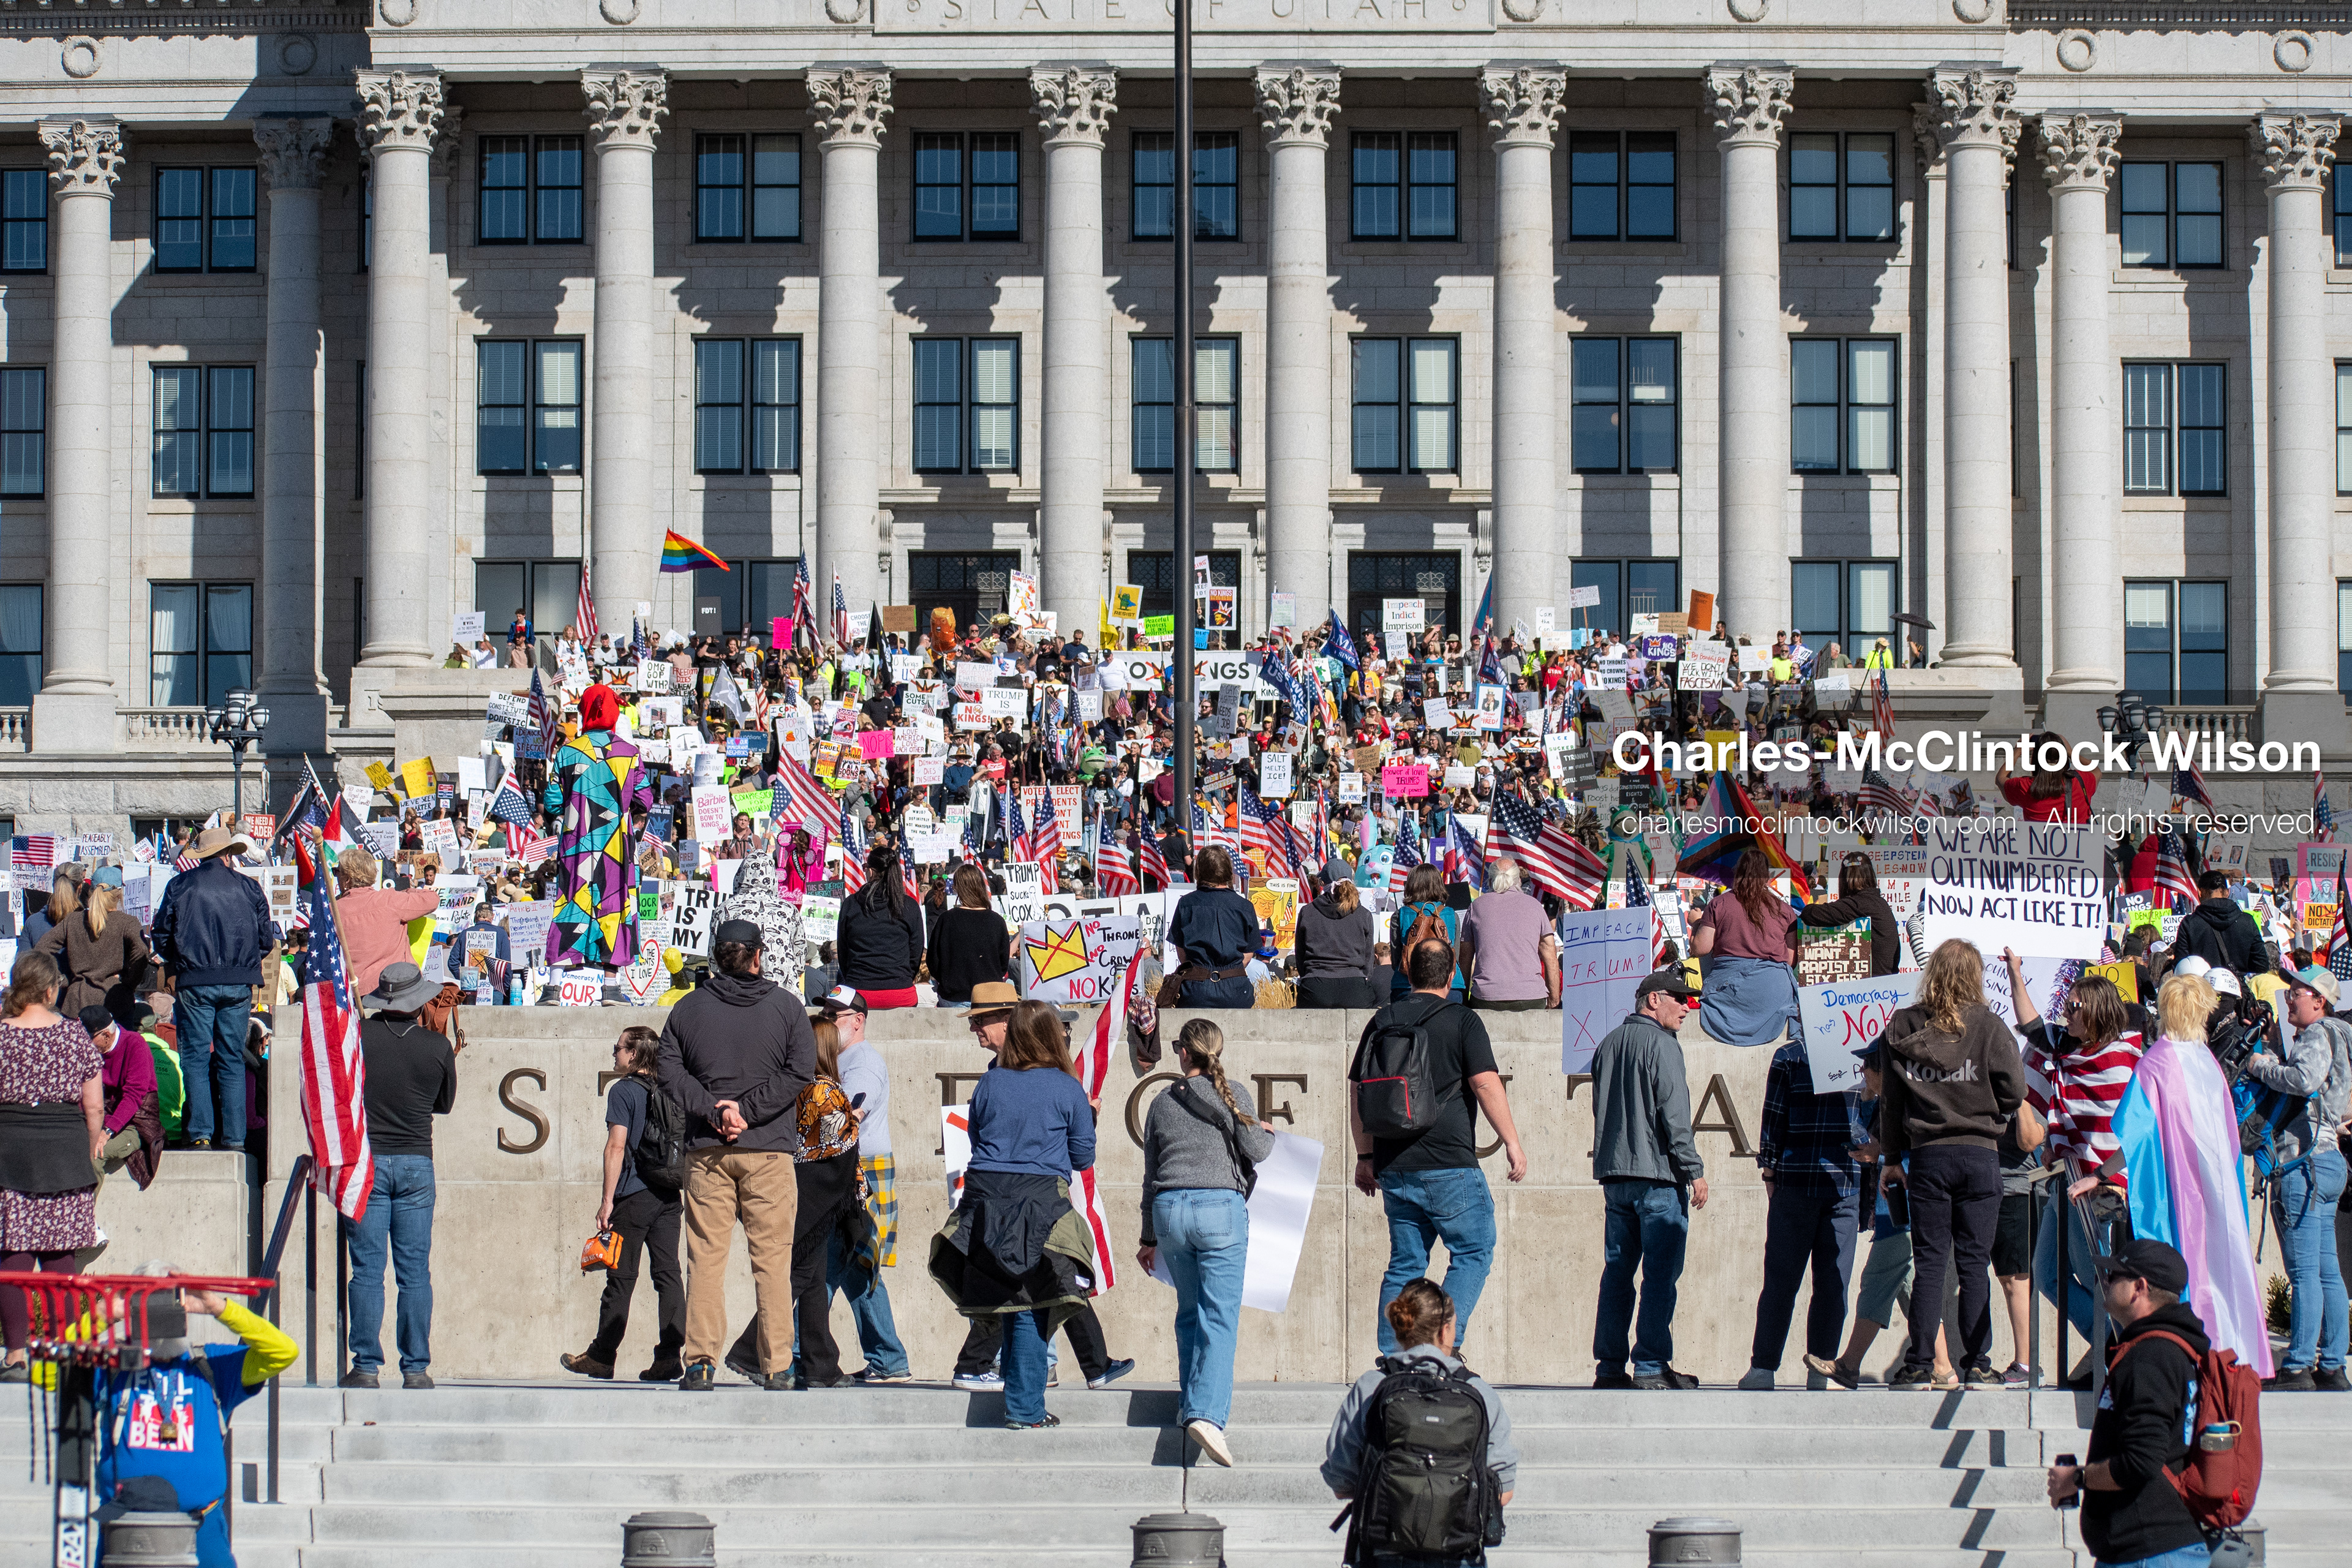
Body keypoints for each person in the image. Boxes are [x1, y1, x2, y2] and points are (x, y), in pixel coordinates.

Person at [657, 918, 816, 1391]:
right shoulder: (787, 1007)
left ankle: (701, 1360)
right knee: (772, 1261)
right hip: (768, 1151)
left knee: (705, 1259)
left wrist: (714, 1110)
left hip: (709, 1151)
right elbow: (800, 1072)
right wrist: (746, 1112)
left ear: (716, 955)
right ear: (757, 956)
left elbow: (667, 1070)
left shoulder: (688, 1009)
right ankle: (778, 1365)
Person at [1351, 938, 1527, 1356]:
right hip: (1450, 1162)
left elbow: (1359, 1092)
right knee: (1472, 1250)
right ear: (1452, 976)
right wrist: (1512, 1143)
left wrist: (1364, 1156)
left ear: (1408, 972)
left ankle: (1394, 1355)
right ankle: (1442, 1345)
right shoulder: (1461, 1021)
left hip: (1394, 1163)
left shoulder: (1381, 1021)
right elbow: (1485, 1084)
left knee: (1405, 1264)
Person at [934, 999, 1098, 1431]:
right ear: (1051, 1035)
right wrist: (1087, 1118)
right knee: (1032, 1302)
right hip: (1039, 1199)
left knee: (1009, 1298)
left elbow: (978, 1135)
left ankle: (1018, 1395)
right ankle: (1024, 1408)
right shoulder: (1067, 1086)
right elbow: (1083, 1157)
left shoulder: (991, 1083)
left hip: (985, 1200)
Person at [1877, 940, 2026, 1390]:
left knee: (1929, 1263)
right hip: (1980, 1154)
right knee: (1974, 1263)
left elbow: (1891, 1100)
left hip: (1927, 1157)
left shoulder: (1903, 1025)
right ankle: (1979, 1362)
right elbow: (2015, 1092)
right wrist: (1988, 1111)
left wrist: (1891, 1155)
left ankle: (1921, 1361)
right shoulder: (1989, 1025)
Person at [88, 1265, 298, 1568]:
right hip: (126, 1527)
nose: (162, 1316)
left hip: (201, 1526)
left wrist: (218, 1308)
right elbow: (49, 1373)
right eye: (149, 1302)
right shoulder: (112, 1363)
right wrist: (105, 1315)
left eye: (171, 1302)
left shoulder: (211, 1364)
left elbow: (284, 1351)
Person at [1136, 1019, 1275, 1467]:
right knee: (1219, 1316)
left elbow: (1150, 1175)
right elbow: (1258, 1151)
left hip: (1170, 1211)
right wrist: (1265, 1129)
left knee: (1190, 1313)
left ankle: (1189, 1405)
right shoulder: (1234, 1091)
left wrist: (1147, 1237)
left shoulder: (1161, 1101)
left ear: (1183, 1053)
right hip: (1220, 1211)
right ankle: (1207, 1415)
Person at [2007, 952, 2145, 1365]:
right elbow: (2032, 1025)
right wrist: (2015, 971)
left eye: (2073, 1008)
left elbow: (2136, 1129)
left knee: (2098, 1278)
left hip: (2101, 1188)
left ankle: (2131, 1350)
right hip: (2066, 1179)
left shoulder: (2126, 1058)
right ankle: (2112, 1347)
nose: (2065, 1015)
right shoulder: (2069, 1048)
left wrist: (2104, 1173)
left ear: (2096, 1011)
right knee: (2047, 1274)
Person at [2044, 1239, 2214, 1568]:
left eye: (2115, 1276)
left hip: (2150, 1552)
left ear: (2140, 1287)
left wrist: (2077, 1478)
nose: (2105, 1282)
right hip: (2156, 1549)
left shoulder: (2150, 1358)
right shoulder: (2169, 1350)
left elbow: (2141, 1461)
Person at [1321, 1280, 1518, 1562]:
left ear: (1401, 1329)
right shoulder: (1478, 1392)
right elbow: (1503, 1492)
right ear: (1445, 1330)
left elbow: (1341, 1481)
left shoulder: (1372, 1386)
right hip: (1458, 1553)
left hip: (1384, 1551)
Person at [1590, 967, 1709, 1390]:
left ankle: (1609, 1368)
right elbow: (1675, 1118)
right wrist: (1694, 1171)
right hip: (1657, 1177)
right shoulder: (1664, 1045)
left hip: (1616, 1176)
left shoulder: (1607, 1045)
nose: (1686, 1007)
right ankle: (1650, 1365)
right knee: (1660, 1276)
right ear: (1653, 999)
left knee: (1618, 1274)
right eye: (1679, 998)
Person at [344, 961, 457, 1390]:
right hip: (415, 1160)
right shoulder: (437, 1047)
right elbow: (443, 1105)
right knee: (414, 1272)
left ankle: (366, 1367)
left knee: (368, 1271)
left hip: (369, 1159)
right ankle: (416, 1368)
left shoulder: (358, 1037)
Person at [2240, 965, 2351, 1389]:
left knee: (2305, 1271)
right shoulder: (2340, 1037)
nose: (2290, 998)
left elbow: (2303, 1080)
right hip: (2328, 1161)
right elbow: (2336, 1105)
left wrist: (2260, 1063)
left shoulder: (2316, 1035)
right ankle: (2332, 1365)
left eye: (2298, 993)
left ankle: (2299, 1364)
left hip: (2304, 1163)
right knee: (2327, 1271)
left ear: (2319, 1001)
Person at [1741, 1016, 1864, 1390]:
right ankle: (1820, 1371)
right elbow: (1876, 1118)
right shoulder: (1863, 1058)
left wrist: (1770, 1174)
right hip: (1846, 1181)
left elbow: (1772, 1122)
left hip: (1796, 1180)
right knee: (1834, 1283)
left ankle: (1764, 1368)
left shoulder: (1789, 1056)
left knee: (1781, 1280)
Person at [0, 950, 104, 1383]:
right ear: (49, 988)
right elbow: (93, 1104)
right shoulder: (75, 1035)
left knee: (13, 1254)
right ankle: (63, 1350)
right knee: (61, 1256)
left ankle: (17, 1354)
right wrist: (94, 1139)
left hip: (10, 1148)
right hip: (65, 1146)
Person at [561, 1025, 684, 1383]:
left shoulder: (623, 1091)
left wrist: (606, 1201)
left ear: (634, 1054)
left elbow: (616, 1146)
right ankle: (669, 1357)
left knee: (621, 1278)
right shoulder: (671, 1088)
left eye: (618, 1049)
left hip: (634, 1194)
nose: (614, 1055)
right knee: (668, 1275)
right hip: (669, 1195)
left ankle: (602, 1357)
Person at [150, 825, 280, 1153]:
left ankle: (201, 1135)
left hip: (196, 981)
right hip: (236, 983)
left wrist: (183, 962)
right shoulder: (249, 888)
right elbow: (266, 941)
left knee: (194, 1059)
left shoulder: (180, 885)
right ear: (227, 854)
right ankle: (234, 1139)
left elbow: (161, 936)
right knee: (231, 1059)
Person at [813, 987, 911, 1383]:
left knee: (831, 1265)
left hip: (861, 1171)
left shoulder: (863, 1063)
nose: (827, 1020)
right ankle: (888, 1358)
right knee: (855, 1268)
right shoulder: (843, 1060)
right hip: (852, 1169)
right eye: (825, 1013)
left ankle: (803, 1351)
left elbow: (847, 1116)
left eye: (835, 1015)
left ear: (858, 1020)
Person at [543, 681, 657, 967]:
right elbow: (645, 800)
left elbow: (553, 803)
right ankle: (611, 987)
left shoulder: (567, 753)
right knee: (614, 905)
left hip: (575, 847)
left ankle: (556, 986)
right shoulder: (630, 754)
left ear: (585, 712)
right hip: (616, 848)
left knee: (571, 904)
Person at [1689, 849, 1799, 1048]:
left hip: (1731, 993)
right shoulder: (1785, 910)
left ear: (1737, 873)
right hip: (1774, 993)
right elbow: (1790, 961)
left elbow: (1700, 948)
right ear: (1767, 877)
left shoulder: (1718, 904)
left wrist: (1696, 923)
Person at [329, 846, 440, 1010]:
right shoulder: (389, 899)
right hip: (397, 994)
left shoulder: (332, 910)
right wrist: (405, 891)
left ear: (347, 877)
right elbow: (432, 899)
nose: (335, 876)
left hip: (353, 995)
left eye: (337, 871)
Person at [36, 879, 152, 1026]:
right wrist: (130, 982)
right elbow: (142, 949)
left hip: (77, 1002)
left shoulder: (73, 920)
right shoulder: (127, 922)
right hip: (115, 1002)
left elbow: (41, 948)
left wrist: (60, 980)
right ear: (118, 895)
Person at [1454, 858, 1559, 1011]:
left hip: (1487, 997)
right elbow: (1551, 956)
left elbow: (1465, 959)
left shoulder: (1476, 906)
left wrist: (1463, 999)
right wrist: (1554, 999)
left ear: (1490, 881)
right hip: (1531, 997)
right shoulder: (1535, 906)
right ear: (1519, 880)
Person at [1165, 846, 1260, 1008]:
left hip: (1196, 991)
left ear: (1198, 871)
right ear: (1228, 870)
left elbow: (1181, 952)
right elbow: (1248, 954)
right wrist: (1227, 972)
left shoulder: (1186, 904)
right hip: (1236, 990)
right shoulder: (1245, 906)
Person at [836, 844, 924, 1009]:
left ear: (870, 871)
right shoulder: (910, 906)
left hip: (859, 992)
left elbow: (843, 952)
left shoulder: (851, 905)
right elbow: (916, 953)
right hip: (900, 991)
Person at [85, 1005, 162, 1192]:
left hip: (135, 1124)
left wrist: (107, 1131)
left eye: (88, 1039)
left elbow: (133, 1097)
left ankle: (85, 1219)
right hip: (103, 1117)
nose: (84, 1044)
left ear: (106, 1035)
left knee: (94, 1155)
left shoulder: (135, 1045)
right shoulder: (91, 1052)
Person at [1797, 853, 1901, 978]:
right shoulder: (1879, 903)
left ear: (1845, 879)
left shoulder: (1861, 904)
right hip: (1884, 984)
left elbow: (1811, 914)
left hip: (1872, 986)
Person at [1292, 865, 1380, 1009]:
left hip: (1315, 988)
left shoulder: (1307, 912)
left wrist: (1309, 977)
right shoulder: (1363, 914)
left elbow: (1300, 955)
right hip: (1355, 989)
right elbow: (1368, 958)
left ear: (1322, 883)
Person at [925, 863, 1011, 1009]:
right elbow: (1003, 964)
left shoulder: (946, 920)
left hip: (954, 998)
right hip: (988, 1000)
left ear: (956, 888)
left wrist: (948, 981)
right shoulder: (997, 921)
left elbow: (933, 962)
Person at [2171, 870, 2272, 977]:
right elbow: (2261, 965)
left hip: (2202, 988)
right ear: (2227, 892)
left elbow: (2180, 966)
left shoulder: (2190, 923)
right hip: (2236, 989)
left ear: (2200, 893)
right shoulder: (2247, 921)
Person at [1388, 863, 1463, 1001]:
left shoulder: (1400, 915)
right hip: (1450, 987)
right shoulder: (1452, 915)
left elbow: (1396, 959)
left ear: (1411, 885)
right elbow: (1455, 956)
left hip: (1406, 986)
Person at [1995, 736, 2098, 824]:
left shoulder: (2025, 786)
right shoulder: (2080, 781)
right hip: (2078, 846)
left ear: (2035, 760)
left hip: (2038, 847)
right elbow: (2096, 771)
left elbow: (2001, 778)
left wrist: (2017, 752)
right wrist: (2070, 752)